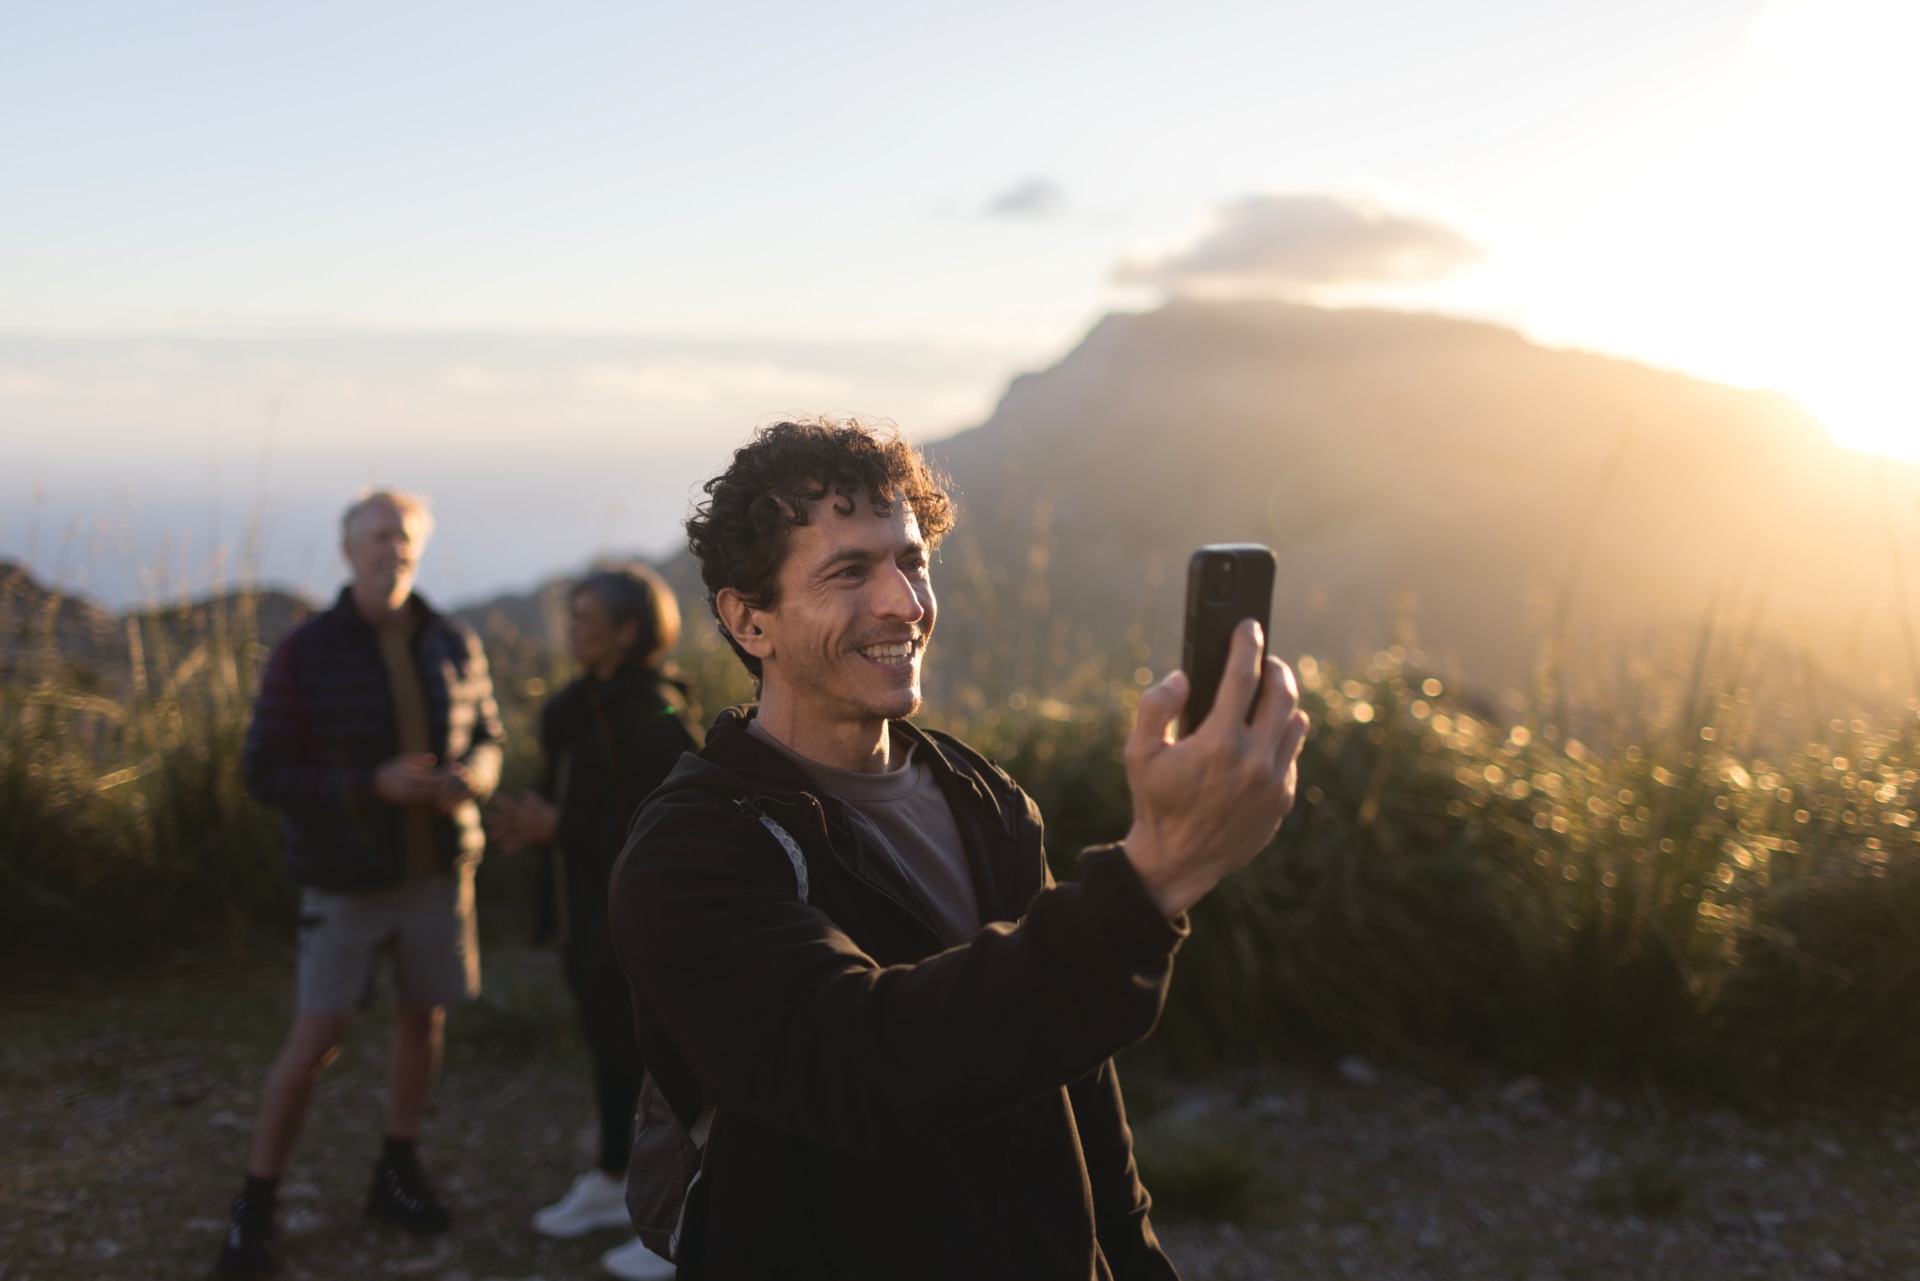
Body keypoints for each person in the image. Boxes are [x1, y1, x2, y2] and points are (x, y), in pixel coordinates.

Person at [609, 418, 1310, 1279]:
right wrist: (1156, 872)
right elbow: (852, 1063)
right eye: (848, 571)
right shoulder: (693, 846)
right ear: (749, 620)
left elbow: (1074, 1078)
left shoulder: (986, 798)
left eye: (912, 560)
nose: (905, 602)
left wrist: (1133, 1258)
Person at [216, 489, 504, 1277]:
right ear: (349, 550)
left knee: (424, 1021)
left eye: (405, 537)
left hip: (438, 871)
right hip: (344, 883)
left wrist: (470, 776)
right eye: (378, 536)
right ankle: (257, 1203)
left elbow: (489, 738)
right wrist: (369, 784)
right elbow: (264, 770)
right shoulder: (306, 650)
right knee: (317, 1039)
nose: (393, 548)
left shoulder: (451, 638)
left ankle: (397, 1171)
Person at [489, 563, 700, 1281]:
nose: (571, 627)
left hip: (638, 924)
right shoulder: (576, 706)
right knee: (609, 1055)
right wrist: (532, 823)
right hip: (584, 915)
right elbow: (573, 801)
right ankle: (616, 1180)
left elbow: (672, 824)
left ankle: (677, 1220)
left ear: (628, 631)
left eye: (586, 617)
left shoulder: (660, 710)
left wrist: (561, 825)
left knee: (657, 1069)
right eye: (572, 614)